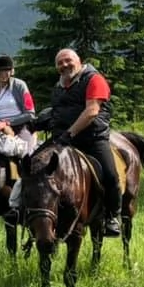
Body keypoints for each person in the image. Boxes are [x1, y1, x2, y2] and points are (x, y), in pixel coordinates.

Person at [48, 48, 122, 237]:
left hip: (92, 138)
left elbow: (91, 111)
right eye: (60, 63)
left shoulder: (94, 79)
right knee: (36, 167)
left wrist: (70, 133)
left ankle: (113, 216)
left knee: (111, 175)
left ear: (79, 61)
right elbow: (57, 112)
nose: (64, 65)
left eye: (68, 60)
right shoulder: (59, 86)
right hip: (63, 140)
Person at [0, 54, 37, 155]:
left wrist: (7, 123)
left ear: (11, 71)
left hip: (19, 127)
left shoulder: (20, 85)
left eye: (6, 70)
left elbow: (30, 113)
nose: (2, 73)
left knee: (27, 154)